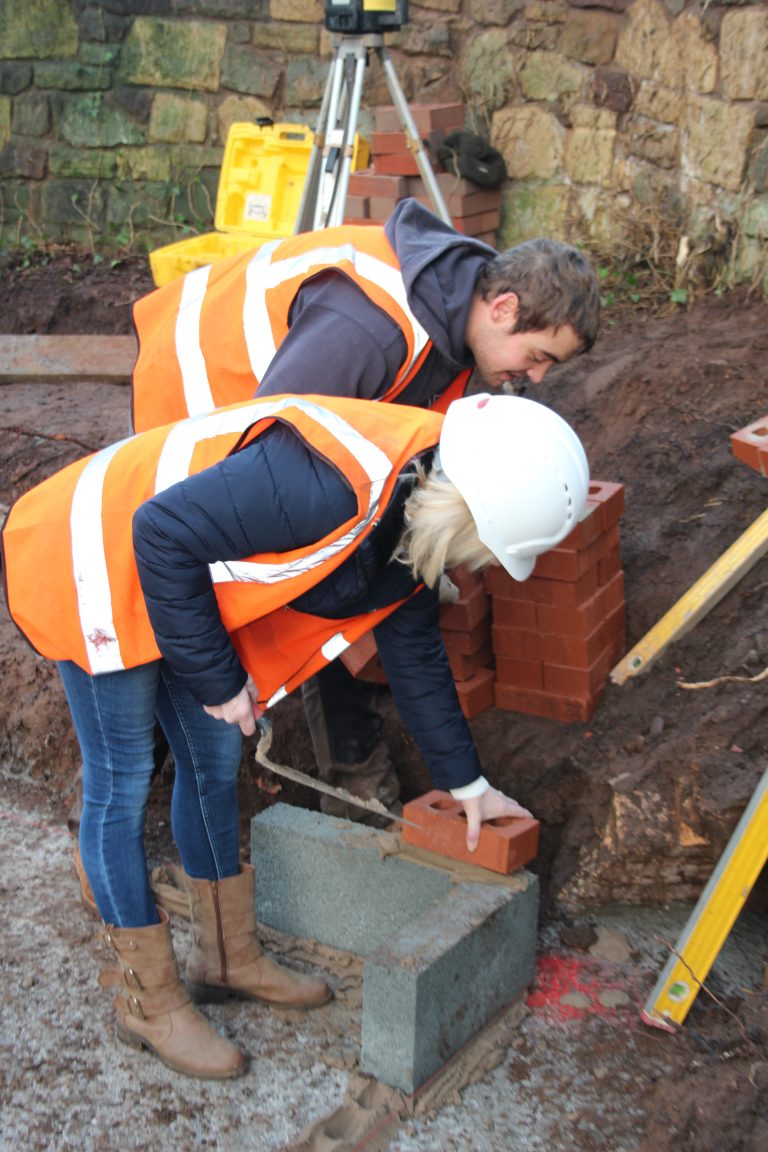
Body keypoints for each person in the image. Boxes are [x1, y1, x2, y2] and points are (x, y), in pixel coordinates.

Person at [1, 389, 590, 1080]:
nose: (474, 564)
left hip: (175, 582)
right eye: (481, 548)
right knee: (123, 779)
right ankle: (149, 1003)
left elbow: (417, 656)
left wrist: (468, 784)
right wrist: (220, 681)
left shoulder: (412, 503)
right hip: (95, 554)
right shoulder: (333, 486)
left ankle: (225, 957)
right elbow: (159, 531)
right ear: (469, 512)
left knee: (212, 759)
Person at [128, 197, 602, 824]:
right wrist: (347, 607)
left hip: (267, 455)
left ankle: (348, 784)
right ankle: (125, 788)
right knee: (182, 626)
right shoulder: (368, 330)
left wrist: (465, 782)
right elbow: (272, 460)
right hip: (192, 414)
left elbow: (382, 535)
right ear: (505, 307)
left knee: (352, 579)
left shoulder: (454, 337)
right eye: (539, 356)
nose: (537, 378)